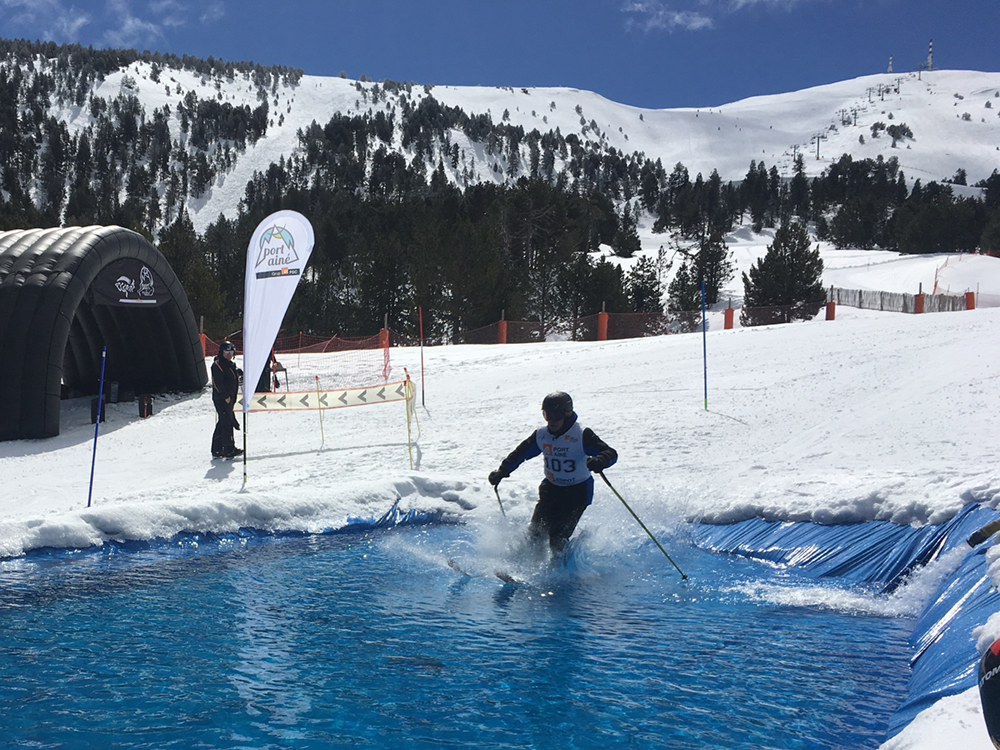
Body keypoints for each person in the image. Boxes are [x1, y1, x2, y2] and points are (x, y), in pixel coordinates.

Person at [489, 392, 617, 554]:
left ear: (567, 414)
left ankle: (562, 571)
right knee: (535, 533)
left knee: (557, 537)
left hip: (577, 492)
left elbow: (610, 452)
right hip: (551, 489)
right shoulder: (542, 435)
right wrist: (502, 471)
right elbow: (520, 454)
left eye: (556, 415)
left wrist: (601, 460)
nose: (551, 420)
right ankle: (525, 564)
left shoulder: (581, 434)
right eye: (547, 414)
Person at [211, 341, 243, 459]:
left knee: (223, 422)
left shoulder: (229, 365)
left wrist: (239, 373)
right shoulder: (218, 365)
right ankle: (228, 449)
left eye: (231, 352)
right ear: (222, 352)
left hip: (229, 398)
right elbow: (217, 382)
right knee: (227, 423)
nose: (229, 354)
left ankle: (217, 449)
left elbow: (233, 375)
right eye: (226, 352)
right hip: (222, 399)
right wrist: (225, 396)